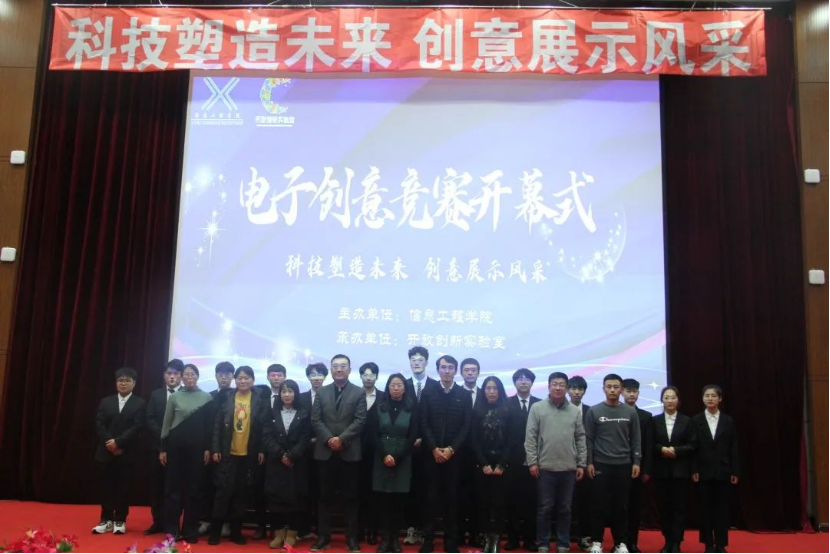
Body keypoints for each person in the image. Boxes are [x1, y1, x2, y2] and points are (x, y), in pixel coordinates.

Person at [311, 354, 367, 553]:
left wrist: (341, 439)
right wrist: (329, 439)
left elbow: (360, 420)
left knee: (351, 498)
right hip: (325, 452)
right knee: (324, 497)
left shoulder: (359, 392)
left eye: (343, 366)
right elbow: (315, 419)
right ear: (331, 370)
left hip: (349, 452)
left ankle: (351, 538)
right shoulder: (322, 392)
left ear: (350, 370)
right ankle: (323, 538)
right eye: (335, 366)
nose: (339, 369)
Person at [525, 372, 586, 554]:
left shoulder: (574, 411)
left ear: (566, 388)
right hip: (544, 467)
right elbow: (530, 437)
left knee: (565, 508)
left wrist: (581, 463)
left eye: (562, 385)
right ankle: (543, 543)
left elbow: (580, 438)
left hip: (568, 468)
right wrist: (532, 462)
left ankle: (563, 543)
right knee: (545, 507)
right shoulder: (537, 408)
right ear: (549, 386)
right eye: (554, 384)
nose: (558, 387)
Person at [419, 354, 472, 554]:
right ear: (438, 370)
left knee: (452, 500)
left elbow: (466, 426)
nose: (447, 371)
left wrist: (451, 449)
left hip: (454, 457)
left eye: (450, 367)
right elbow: (423, 422)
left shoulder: (463, 395)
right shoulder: (428, 392)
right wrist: (434, 448)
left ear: (455, 371)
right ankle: (428, 540)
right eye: (443, 367)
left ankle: (451, 541)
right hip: (431, 455)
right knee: (430, 499)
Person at [209, 366, 268, 546]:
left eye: (246, 378)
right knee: (223, 493)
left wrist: (262, 450)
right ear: (235, 380)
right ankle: (215, 532)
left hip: (249, 454)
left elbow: (264, 427)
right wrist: (215, 448)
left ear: (253, 380)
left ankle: (236, 532)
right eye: (240, 378)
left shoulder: (259, 399)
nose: (243, 381)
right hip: (228, 453)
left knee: (241, 494)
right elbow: (217, 425)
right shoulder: (227, 397)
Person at [585, 374, 642, 554]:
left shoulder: (630, 412)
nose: (612, 390)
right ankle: (597, 541)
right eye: (609, 387)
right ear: (603, 389)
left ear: (621, 389)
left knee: (621, 506)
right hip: (601, 464)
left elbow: (636, 439)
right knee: (599, 505)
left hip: (624, 465)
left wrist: (636, 461)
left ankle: (620, 543)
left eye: (616, 387)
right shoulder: (594, 411)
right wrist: (589, 462)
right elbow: (588, 439)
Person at [159, 364, 214, 543]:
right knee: (173, 491)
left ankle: (190, 530)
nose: (190, 377)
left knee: (194, 491)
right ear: (181, 377)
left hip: (198, 451)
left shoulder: (206, 397)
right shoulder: (175, 397)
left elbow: (209, 426)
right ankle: (172, 530)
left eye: (193, 374)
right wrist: (163, 448)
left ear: (198, 377)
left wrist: (207, 448)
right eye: (187, 374)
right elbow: (166, 424)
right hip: (175, 450)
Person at [92, 368, 146, 535]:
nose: (123, 383)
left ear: (134, 383)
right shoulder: (105, 402)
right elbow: (99, 424)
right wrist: (110, 443)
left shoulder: (140, 403)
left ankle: (120, 520)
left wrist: (118, 442)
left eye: (127, 380)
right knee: (106, 487)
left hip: (126, 452)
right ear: (116, 382)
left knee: (124, 488)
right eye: (120, 380)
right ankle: (106, 519)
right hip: (105, 452)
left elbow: (137, 427)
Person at [263, 379, 312, 550]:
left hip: (296, 463)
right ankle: (278, 534)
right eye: (284, 391)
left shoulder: (304, 413)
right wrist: (281, 455)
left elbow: (306, 438)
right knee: (275, 499)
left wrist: (291, 455)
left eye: (290, 391)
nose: (287, 395)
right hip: (276, 463)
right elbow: (267, 436)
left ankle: (291, 534)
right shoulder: (271, 413)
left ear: (296, 394)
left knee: (296, 499)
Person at [373, 373, 419, 554]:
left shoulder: (411, 407)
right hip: (382, 457)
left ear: (405, 388)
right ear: (388, 387)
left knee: (398, 501)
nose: (396, 388)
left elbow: (413, 435)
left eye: (400, 385)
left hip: (403, 458)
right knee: (384, 501)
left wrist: (398, 457)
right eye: (393, 385)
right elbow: (373, 433)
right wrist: (384, 455)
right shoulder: (379, 406)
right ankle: (385, 539)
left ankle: (395, 539)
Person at [692, 385, 739, 554]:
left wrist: (735, 471)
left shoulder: (728, 420)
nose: (710, 398)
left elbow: (733, 447)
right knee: (705, 509)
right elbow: (693, 448)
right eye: (707, 395)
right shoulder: (696, 420)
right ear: (702, 398)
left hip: (723, 471)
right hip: (703, 471)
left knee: (722, 510)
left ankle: (721, 544)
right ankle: (708, 544)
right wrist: (694, 469)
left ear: (720, 399)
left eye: (713, 395)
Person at [651, 386, 696, 554]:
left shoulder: (687, 421)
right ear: (661, 400)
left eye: (673, 397)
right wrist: (661, 449)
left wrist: (676, 450)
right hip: (660, 471)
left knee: (679, 508)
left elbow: (693, 445)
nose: (669, 401)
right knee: (664, 508)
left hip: (681, 472)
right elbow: (650, 443)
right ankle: (667, 540)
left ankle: (676, 542)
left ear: (678, 401)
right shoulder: (654, 421)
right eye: (666, 397)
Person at [472, 376, 512, 554]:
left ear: (500, 390)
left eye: (495, 388)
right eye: (488, 388)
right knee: (483, 502)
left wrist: (502, 464)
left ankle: (496, 538)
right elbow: (473, 439)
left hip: (503, 465)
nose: (491, 392)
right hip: (482, 464)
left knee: (500, 503)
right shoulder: (476, 411)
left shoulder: (508, 411)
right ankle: (485, 537)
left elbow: (512, 440)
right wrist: (483, 463)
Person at [144, 359, 185, 536]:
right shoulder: (156, 395)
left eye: (176, 373)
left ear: (181, 376)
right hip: (157, 448)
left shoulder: (187, 394)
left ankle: (172, 525)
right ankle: (157, 522)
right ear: (164, 375)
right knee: (157, 487)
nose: (172, 377)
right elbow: (150, 419)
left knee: (175, 489)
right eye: (169, 373)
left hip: (179, 450)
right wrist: (163, 434)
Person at [404, 346, 440, 546]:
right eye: (413, 360)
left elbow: (436, 418)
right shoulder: (402, 385)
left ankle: (427, 531)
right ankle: (411, 528)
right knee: (409, 488)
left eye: (420, 360)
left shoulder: (435, 386)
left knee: (428, 490)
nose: (416, 363)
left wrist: (425, 439)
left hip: (429, 447)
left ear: (426, 362)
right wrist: (411, 439)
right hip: (407, 447)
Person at [505, 368, 542, 552]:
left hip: (535, 460)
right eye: (519, 379)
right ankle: (512, 538)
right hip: (511, 460)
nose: (523, 382)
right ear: (514, 383)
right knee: (511, 500)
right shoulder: (506, 403)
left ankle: (529, 539)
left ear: (532, 383)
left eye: (527, 379)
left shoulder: (540, 404)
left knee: (531, 501)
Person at [200, 361, 235, 536]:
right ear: (215, 376)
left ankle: (225, 522)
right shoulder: (208, 396)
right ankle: (206, 520)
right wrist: (208, 447)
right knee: (208, 484)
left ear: (232, 377)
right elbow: (205, 423)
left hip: (231, 449)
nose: (224, 377)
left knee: (227, 487)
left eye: (227, 374)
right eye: (220, 374)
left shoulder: (237, 396)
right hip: (209, 448)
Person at [622, 379, 654, 554]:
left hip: (638, 469)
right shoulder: (614, 413)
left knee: (634, 507)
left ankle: (632, 543)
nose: (631, 394)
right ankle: (620, 542)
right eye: (628, 391)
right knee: (619, 507)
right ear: (622, 392)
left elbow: (648, 445)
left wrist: (646, 469)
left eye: (634, 391)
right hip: (617, 466)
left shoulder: (646, 416)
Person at [458, 358, 483, 549]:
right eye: (466, 370)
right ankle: (458, 534)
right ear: (461, 373)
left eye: (473, 370)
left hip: (480, 453)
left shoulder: (486, 394)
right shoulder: (456, 393)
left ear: (478, 373)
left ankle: (476, 534)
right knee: (458, 495)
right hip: (458, 452)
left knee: (478, 496)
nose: (470, 373)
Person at [360, 362, 384, 545]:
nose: (368, 378)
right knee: (358, 491)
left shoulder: (383, 397)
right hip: (355, 451)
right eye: (365, 375)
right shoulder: (354, 395)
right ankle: (359, 530)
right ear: (361, 376)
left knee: (376, 493)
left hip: (377, 452)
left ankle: (374, 530)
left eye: (372, 375)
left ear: (377, 377)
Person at [568, 375, 592, 552]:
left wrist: (587, 462)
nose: (576, 392)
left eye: (580, 389)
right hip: (564, 462)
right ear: (568, 390)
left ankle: (584, 536)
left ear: (584, 391)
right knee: (564, 503)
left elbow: (592, 439)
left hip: (585, 463)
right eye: (573, 388)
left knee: (585, 502)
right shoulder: (560, 409)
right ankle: (564, 537)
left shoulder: (591, 411)